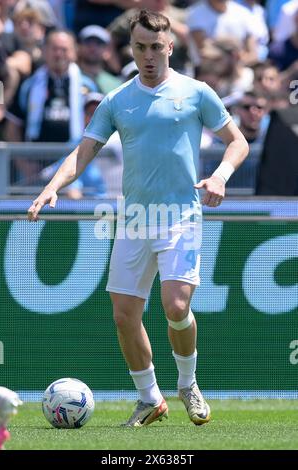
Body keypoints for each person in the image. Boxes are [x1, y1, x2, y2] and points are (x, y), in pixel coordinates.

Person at [28, 10, 249, 427]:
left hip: (179, 215)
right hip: (133, 220)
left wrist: (220, 176)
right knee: (124, 315)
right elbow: (84, 150)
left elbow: (237, 142)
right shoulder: (118, 100)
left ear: (170, 47)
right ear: (132, 49)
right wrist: (52, 185)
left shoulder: (196, 92)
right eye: (140, 47)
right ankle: (150, 398)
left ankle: (187, 383)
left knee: (176, 305)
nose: (148, 56)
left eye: (155, 48)